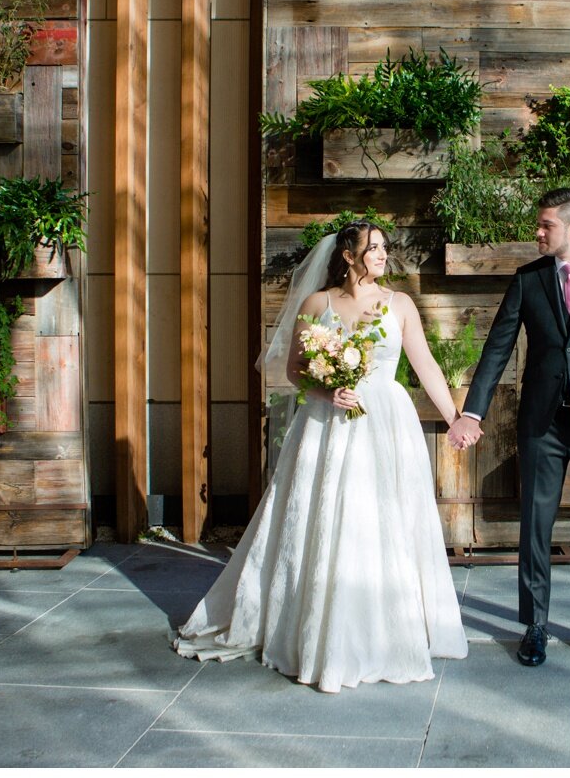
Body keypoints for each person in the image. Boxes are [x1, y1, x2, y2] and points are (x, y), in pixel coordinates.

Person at [173, 220, 468, 693]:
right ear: (348, 255)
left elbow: (425, 364)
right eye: (373, 248)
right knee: (329, 515)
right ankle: (317, 626)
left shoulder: (400, 304)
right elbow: (293, 370)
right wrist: (328, 388)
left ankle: (390, 625)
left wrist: (456, 417)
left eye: (385, 248)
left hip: (385, 423)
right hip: (327, 424)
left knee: (385, 518)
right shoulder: (318, 304)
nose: (382, 255)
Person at [447, 188, 570, 669]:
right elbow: (497, 348)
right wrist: (472, 411)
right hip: (541, 423)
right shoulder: (528, 279)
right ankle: (534, 626)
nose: (537, 233)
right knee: (535, 528)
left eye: (545, 226)